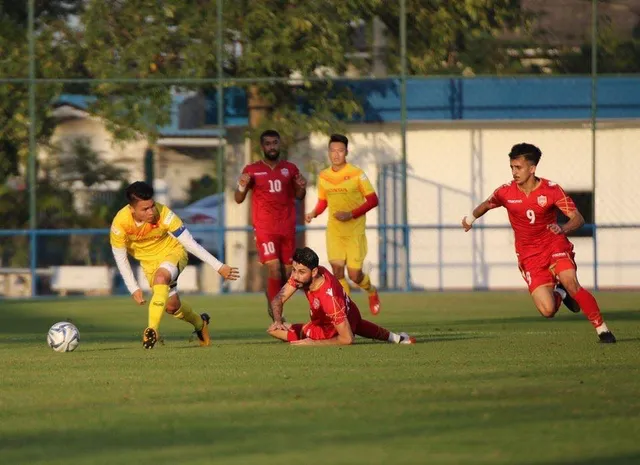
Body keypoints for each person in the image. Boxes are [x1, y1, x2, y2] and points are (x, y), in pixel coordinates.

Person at [461, 143, 615, 343]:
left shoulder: (551, 190)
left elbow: (578, 218)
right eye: (512, 168)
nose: (514, 172)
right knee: (548, 310)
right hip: (529, 255)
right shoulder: (505, 192)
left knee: (571, 281)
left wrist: (563, 228)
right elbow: (486, 205)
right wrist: (469, 220)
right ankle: (561, 292)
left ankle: (603, 331)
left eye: (519, 168)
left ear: (532, 168)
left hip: (554, 244)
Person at [110, 181, 240, 349]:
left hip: (173, 252)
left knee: (161, 277)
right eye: (145, 209)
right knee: (172, 307)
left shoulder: (165, 214)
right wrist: (133, 287)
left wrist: (218, 266)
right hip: (149, 264)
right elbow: (120, 257)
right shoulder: (120, 224)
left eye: (152, 206)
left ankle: (151, 331)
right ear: (132, 209)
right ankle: (200, 323)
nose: (151, 211)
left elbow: (190, 243)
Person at [267, 247, 415, 346]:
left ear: (313, 272)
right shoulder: (311, 274)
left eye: (301, 272)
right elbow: (277, 300)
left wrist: (313, 343)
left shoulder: (329, 299)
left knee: (273, 331)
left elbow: (347, 339)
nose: (295, 276)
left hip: (330, 329)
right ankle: (398, 338)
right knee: (280, 325)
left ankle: (306, 333)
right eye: (294, 270)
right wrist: (278, 320)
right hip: (352, 315)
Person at [305, 133, 381, 315]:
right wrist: (314, 213)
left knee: (355, 275)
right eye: (333, 150)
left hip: (355, 231)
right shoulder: (324, 176)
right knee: (337, 272)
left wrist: (351, 214)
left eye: (340, 150)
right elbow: (323, 201)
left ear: (346, 152)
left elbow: (373, 200)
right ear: (329, 153)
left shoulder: (356, 174)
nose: (336, 154)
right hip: (335, 231)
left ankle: (371, 291)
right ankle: (346, 310)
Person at [235, 129, 307, 320]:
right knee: (274, 268)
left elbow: (300, 197)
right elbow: (238, 199)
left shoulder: (290, 169)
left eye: (275, 143)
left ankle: (272, 298)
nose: (272, 147)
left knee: (288, 274)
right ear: (262, 147)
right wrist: (242, 185)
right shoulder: (252, 170)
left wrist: (302, 186)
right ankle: (277, 316)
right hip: (265, 227)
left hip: (287, 227)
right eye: (268, 144)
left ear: (279, 144)